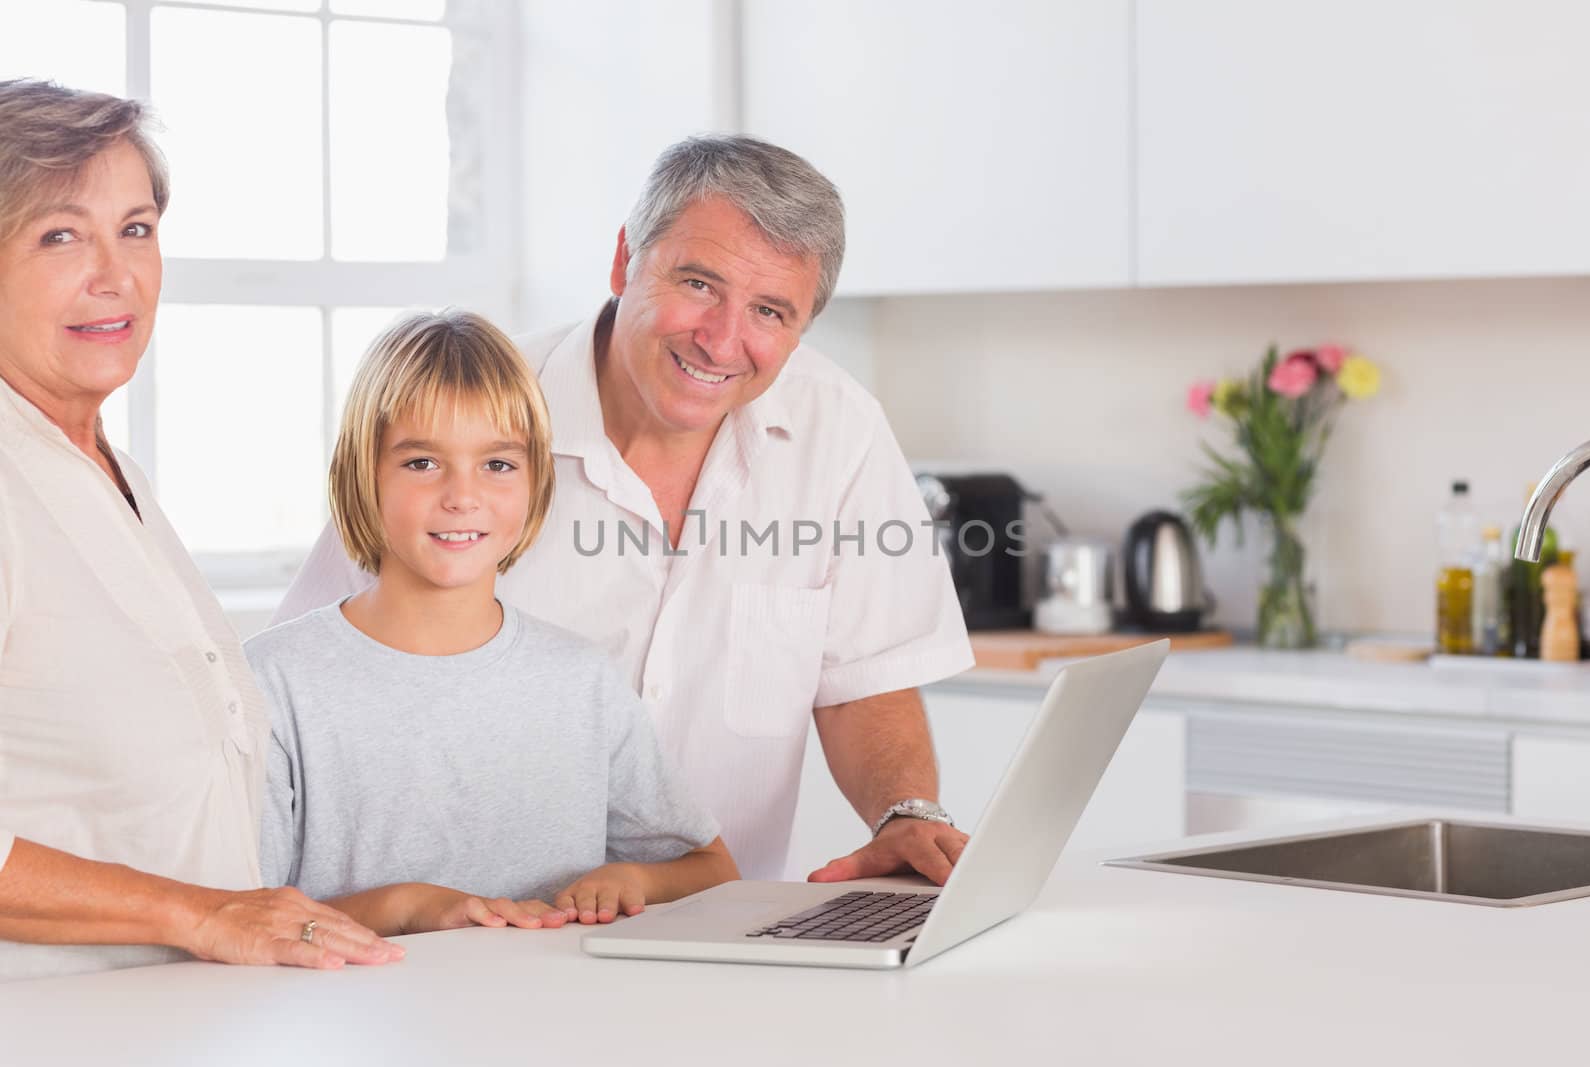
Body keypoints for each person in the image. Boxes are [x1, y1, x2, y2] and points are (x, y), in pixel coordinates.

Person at [276, 136, 974, 883]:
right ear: (624, 261)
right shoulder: (478, 421)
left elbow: (865, 678)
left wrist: (907, 812)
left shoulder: (840, 429)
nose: (721, 339)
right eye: (699, 284)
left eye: (769, 310)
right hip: (466, 933)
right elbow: (314, 674)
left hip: (718, 923)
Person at [0, 79, 402, 981]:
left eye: (136, 229)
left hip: (172, 1020)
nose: (117, 274)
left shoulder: (106, 468)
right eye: (59, 235)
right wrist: (202, 913)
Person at [248, 311, 738, 935]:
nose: (462, 496)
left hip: (554, 1026)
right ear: (362, 473)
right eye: (422, 462)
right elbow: (236, 919)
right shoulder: (271, 684)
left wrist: (634, 878)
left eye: (498, 465)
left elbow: (712, 869)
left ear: (535, 481)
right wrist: (403, 908)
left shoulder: (581, 682)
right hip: (350, 1028)